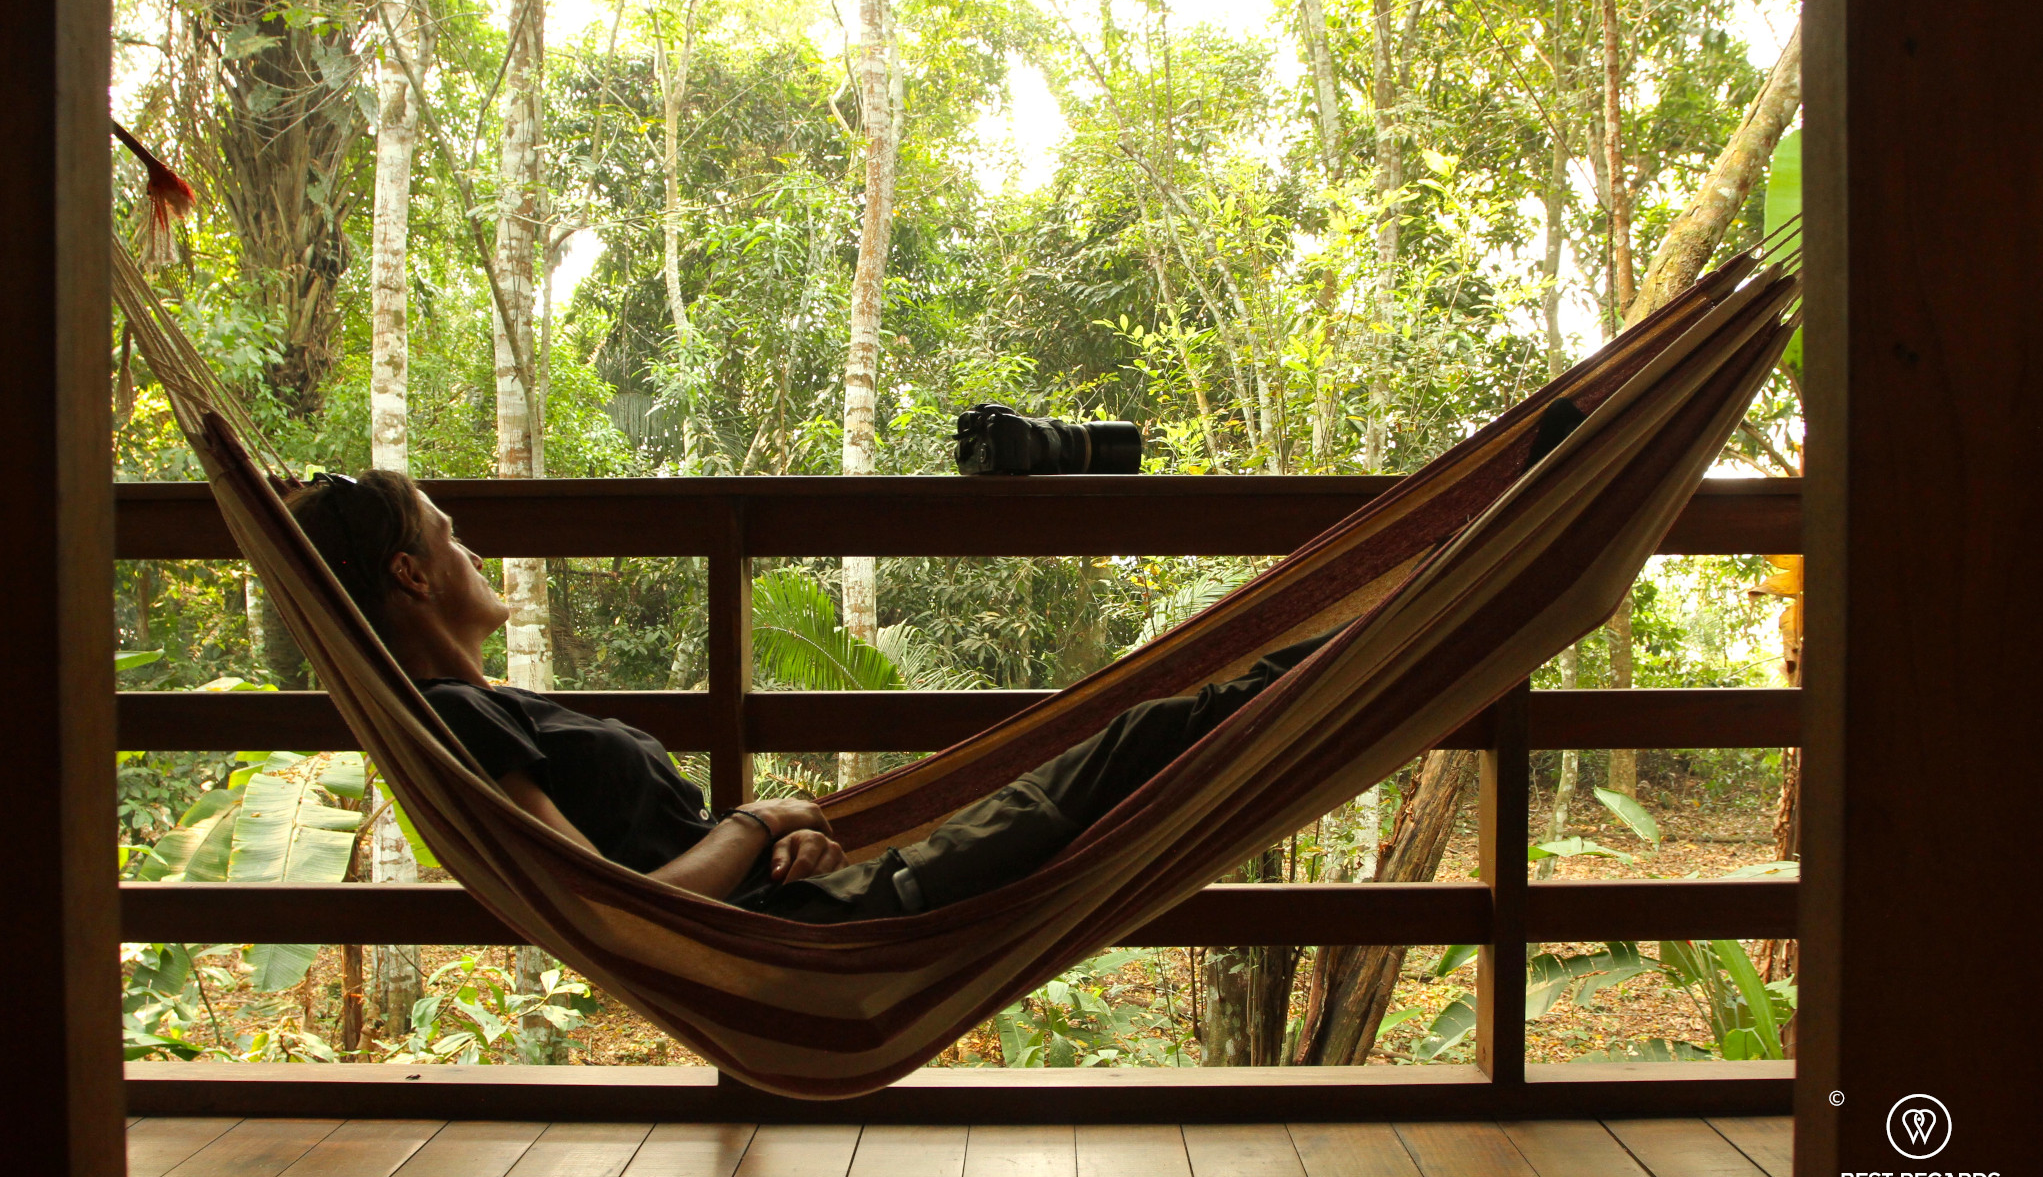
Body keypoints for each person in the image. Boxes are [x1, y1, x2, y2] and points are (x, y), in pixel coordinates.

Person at [286, 472, 1335, 923]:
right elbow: (609, 904)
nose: (471, 543)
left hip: (817, 902)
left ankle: (1375, 636)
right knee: (1153, 731)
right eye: (445, 529)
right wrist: (761, 816)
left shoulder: (484, 703)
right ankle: (1381, 634)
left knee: (1142, 732)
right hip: (822, 928)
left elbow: (662, 874)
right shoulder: (460, 716)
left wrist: (792, 832)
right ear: (412, 576)